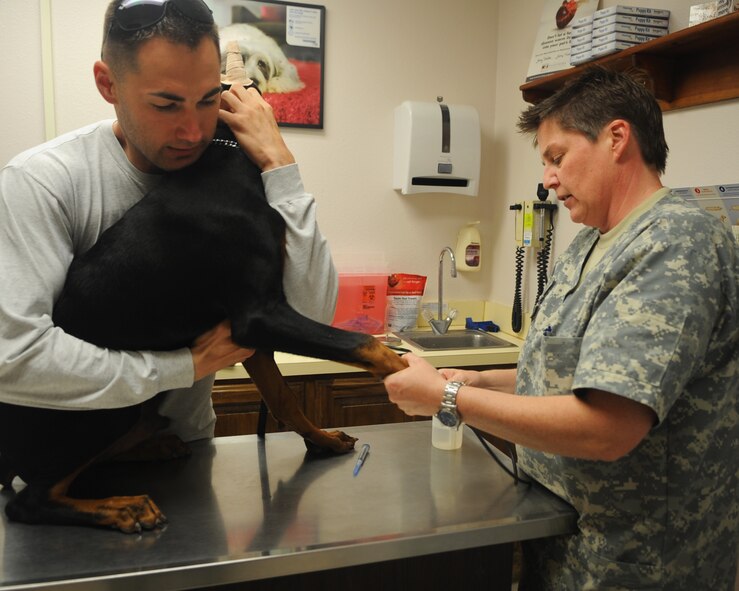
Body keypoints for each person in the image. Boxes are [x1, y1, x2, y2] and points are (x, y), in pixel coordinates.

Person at [384, 67, 738, 590]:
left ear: (617, 139)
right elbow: (574, 370)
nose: (548, 179)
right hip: (565, 542)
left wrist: (450, 396)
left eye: (557, 157)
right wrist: (486, 382)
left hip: (638, 560)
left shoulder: (676, 241)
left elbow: (608, 427)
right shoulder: (593, 240)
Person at [0, 0, 337, 443]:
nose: (195, 132)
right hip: (67, 471)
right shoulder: (43, 182)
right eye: (166, 105)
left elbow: (311, 316)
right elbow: (14, 359)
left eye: (208, 99)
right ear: (108, 84)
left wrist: (280, 164)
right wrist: (184, 367)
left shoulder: (238, 170)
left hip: (186, 453)